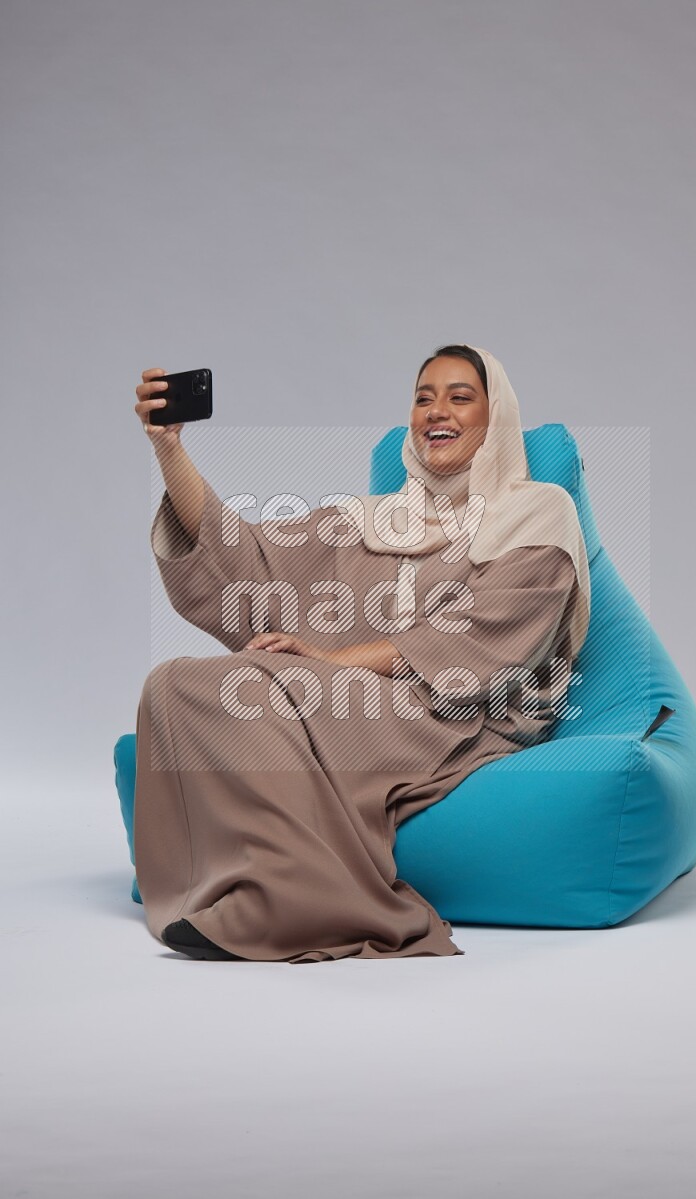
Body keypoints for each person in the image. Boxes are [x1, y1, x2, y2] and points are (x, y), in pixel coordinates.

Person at [132, 343, 591, 963]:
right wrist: (170, 450)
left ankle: (301, 904)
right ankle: (261, 884)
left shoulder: (536, 511)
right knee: (176, 684)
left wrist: (330, 661)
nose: (437, 412)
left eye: (461, 397)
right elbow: (245, 558)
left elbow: (490, 639)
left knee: (268, 692)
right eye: (423, 398)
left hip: (461, 709)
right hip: (363, 695)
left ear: (495, 416)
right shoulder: (372, 520)